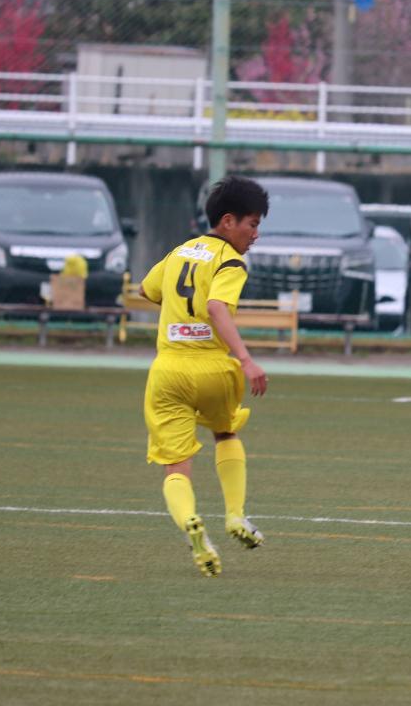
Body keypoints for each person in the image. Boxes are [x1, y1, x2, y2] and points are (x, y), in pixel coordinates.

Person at [141, 175, 270, 577]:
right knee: (225, 434)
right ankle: (235, 515)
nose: (255, 234)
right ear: (228, 221)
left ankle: (191, 524)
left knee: (176, 467)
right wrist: (246, 359)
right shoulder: (230, 260)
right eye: (252, 224)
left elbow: (147, 290)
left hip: (168, 371)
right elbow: (216, 307)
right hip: (213, 369)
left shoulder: (179, 252)